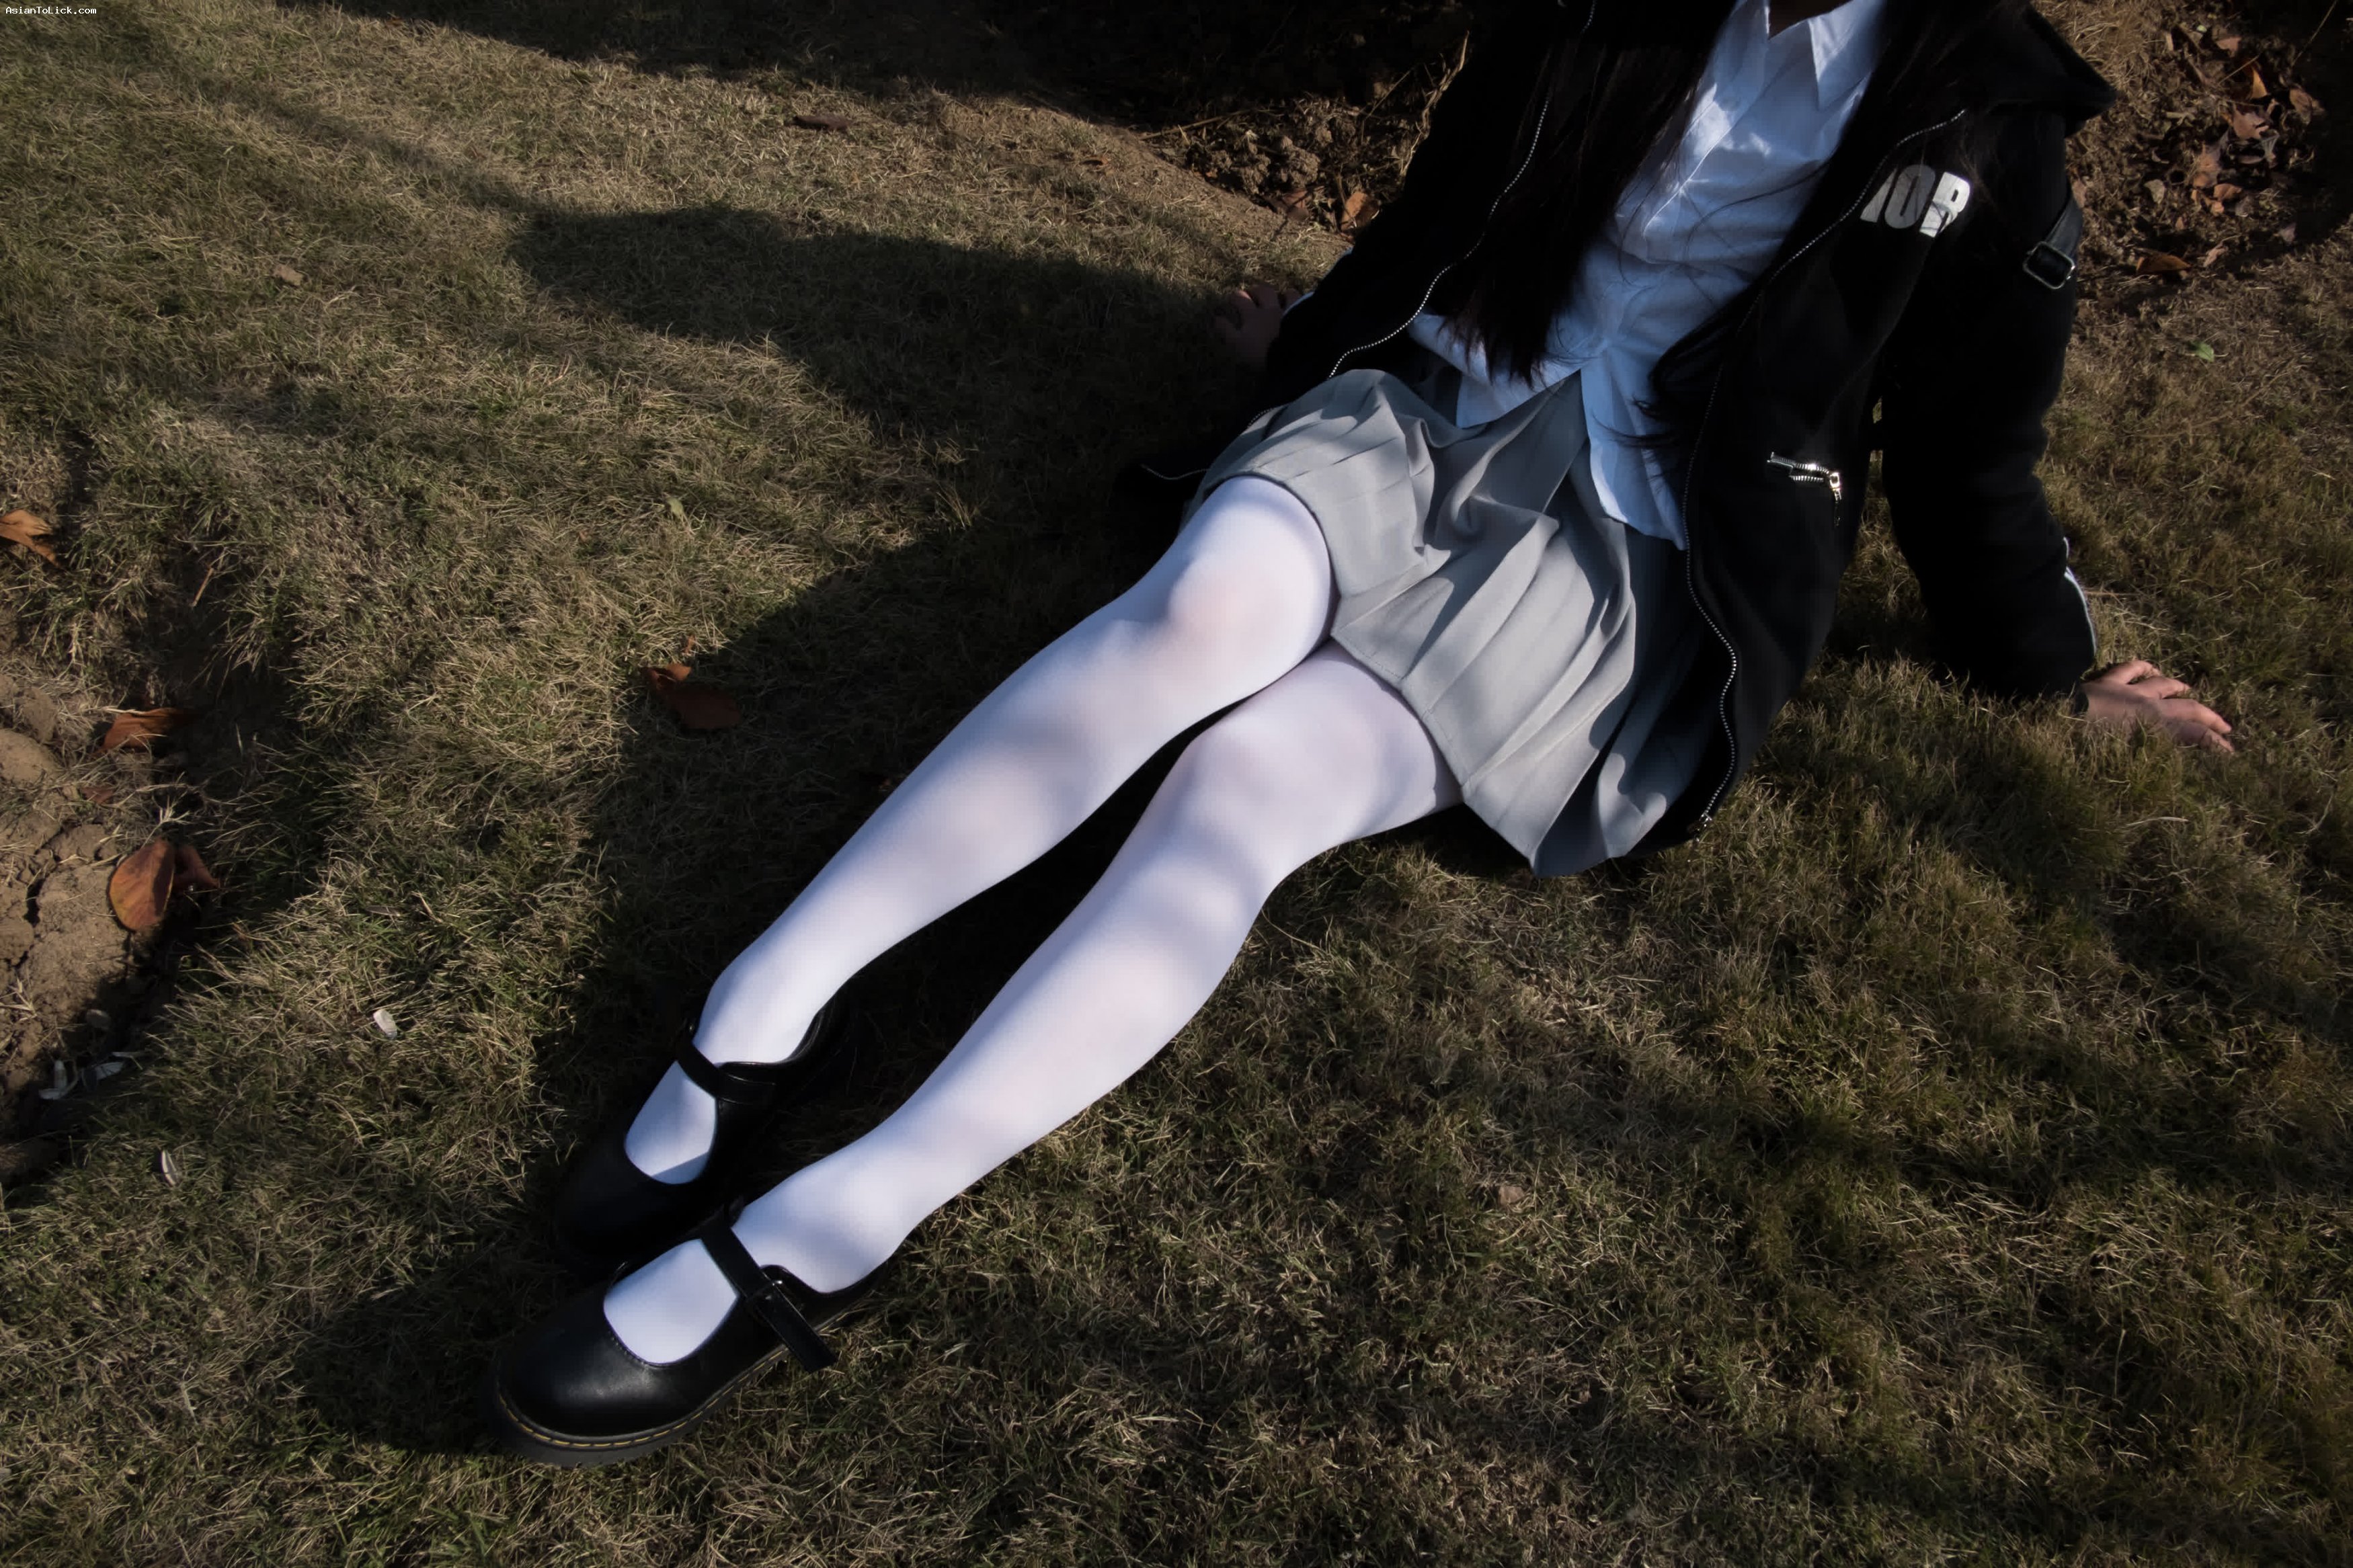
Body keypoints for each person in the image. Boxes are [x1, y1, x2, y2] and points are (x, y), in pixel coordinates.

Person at [481, 0, 2233, 1467]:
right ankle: (753, 1019)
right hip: (1429, 398)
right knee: (1193, 614)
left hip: (1637, 543)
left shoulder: (1991, 119)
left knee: (1248, 784)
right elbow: (1444, 204)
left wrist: (2052, 665)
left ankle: (835, 1223)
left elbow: (1973, 456)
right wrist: (1304, 352)